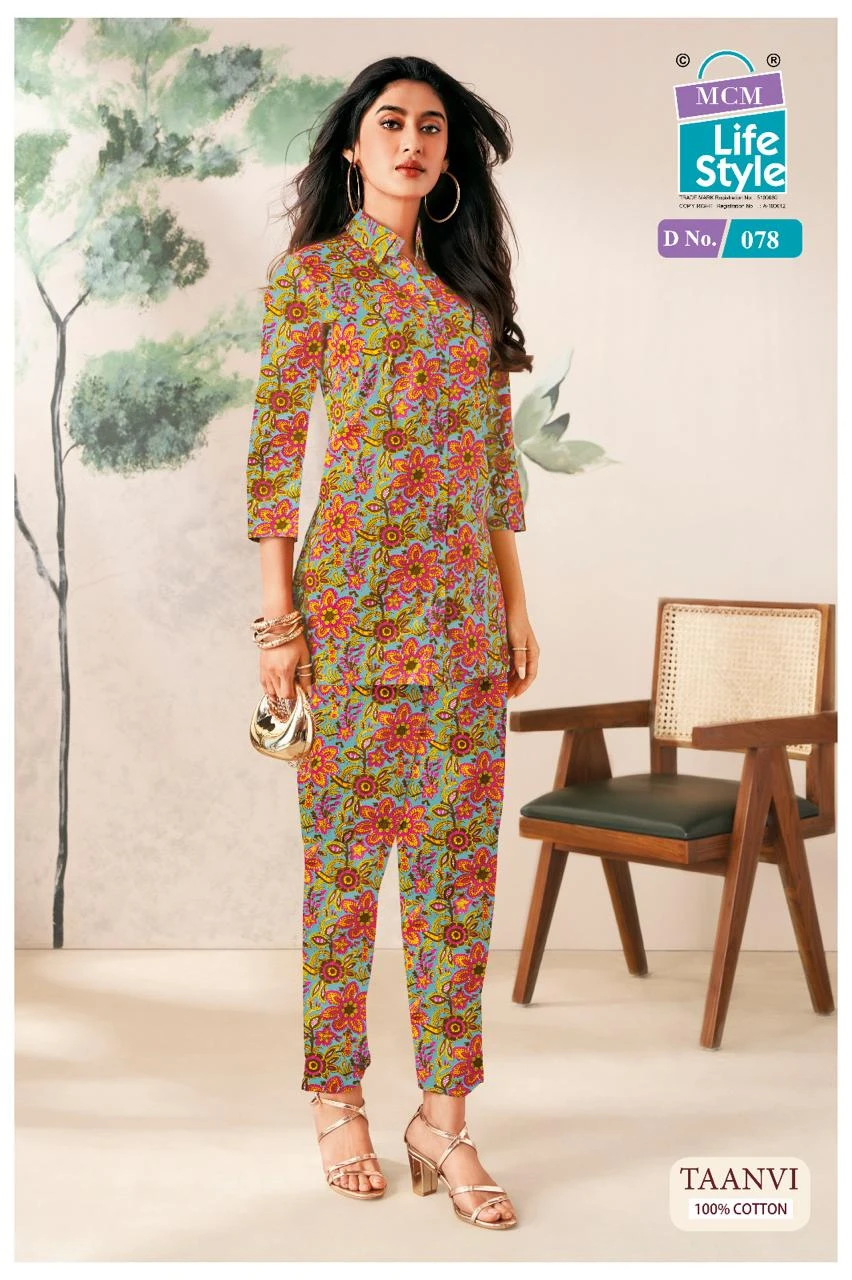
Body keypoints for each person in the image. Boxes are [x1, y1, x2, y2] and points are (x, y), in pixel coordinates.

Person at [246, 55, 539, 1231]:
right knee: (342, 881)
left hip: (463, 627)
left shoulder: (471, 299)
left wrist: (515, 601)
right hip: (351, 623)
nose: (413, 141)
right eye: (391, 122)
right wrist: (280, 624)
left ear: (448, 159)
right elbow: (275, 458)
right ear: (353, 147)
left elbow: (494, 468)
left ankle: (444, 1122)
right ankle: (336, 1098)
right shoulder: (311, 279)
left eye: (431, 128)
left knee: (457, 887)